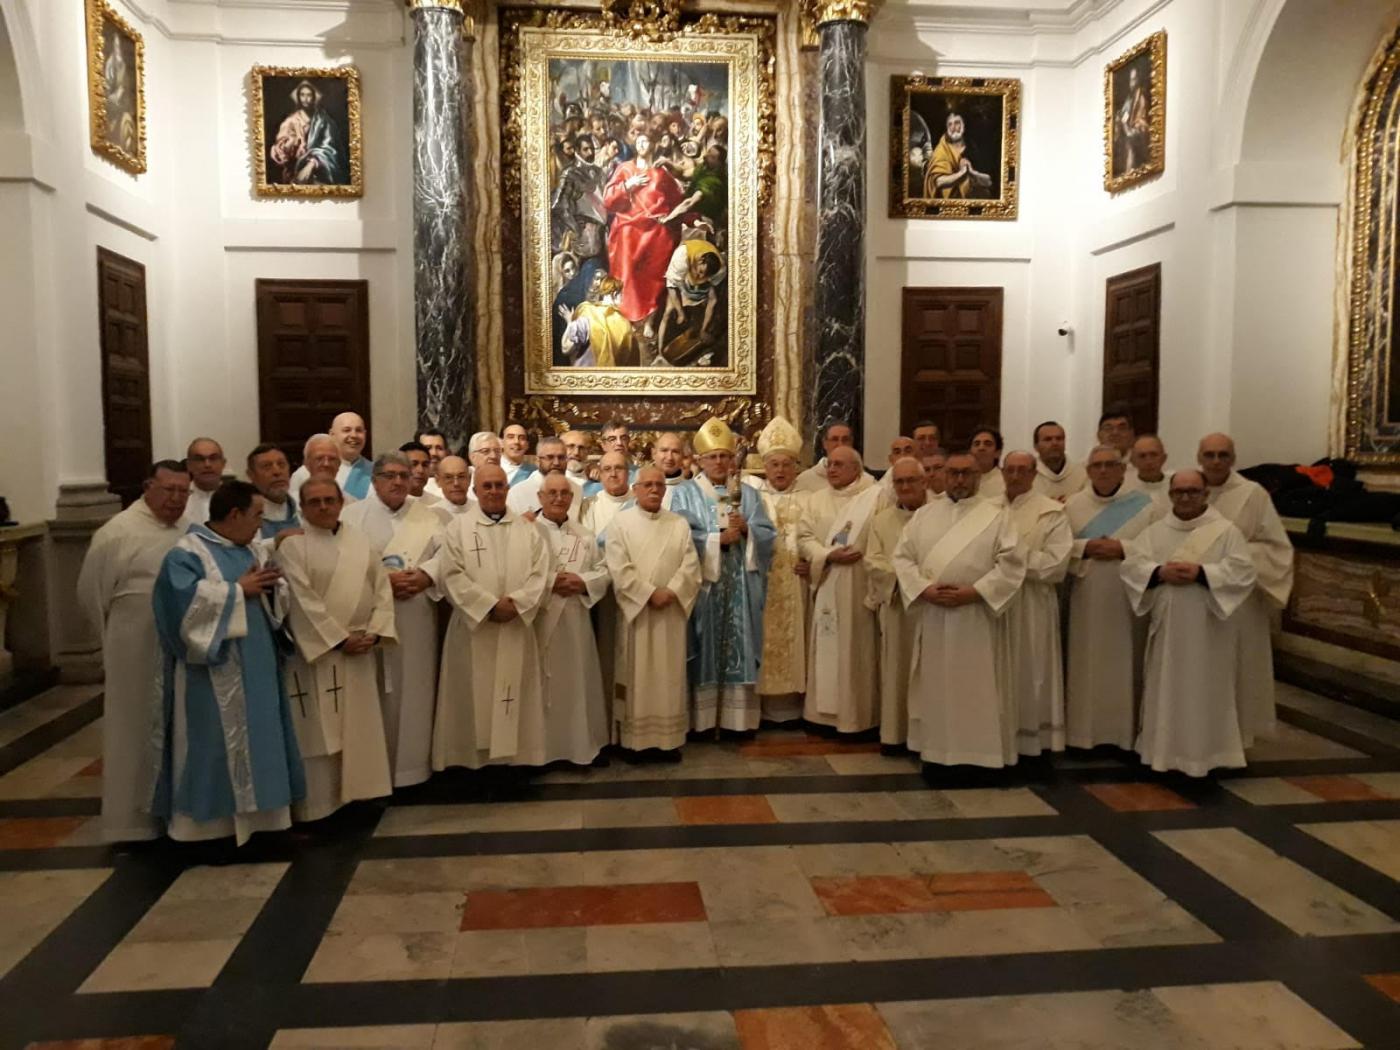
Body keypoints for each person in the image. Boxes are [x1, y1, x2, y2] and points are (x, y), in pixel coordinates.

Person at [150, 481, 305, 843]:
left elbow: (274, 597)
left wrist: (273, 588)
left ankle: (268, 824)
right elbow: (179, 610)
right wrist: (237, 591)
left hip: (260, 666)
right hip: (213, 674)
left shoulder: (250, 546)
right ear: (234, 515)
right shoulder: (186, 554)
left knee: (264, 740)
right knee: (213, 747)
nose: (259, 525)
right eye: (256, 516)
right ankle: (206, 833)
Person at [78, 460, 192, 842]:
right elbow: (92, 595)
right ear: (148, 487)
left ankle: (175, 814)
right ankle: (130, 822)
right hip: (134, 647)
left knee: (177, 726)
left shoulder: (188, 530)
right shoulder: (117, 533)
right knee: (134, 727)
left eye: (183, 491)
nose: (176, 499)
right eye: (169, 490)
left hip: (178, 645)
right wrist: (116, 640)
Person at [893, 451, 1024, 772]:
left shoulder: (997, 515)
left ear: (979, 476)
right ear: (942, 476)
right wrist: (925, 589)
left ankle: (981, 758)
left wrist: (975, 592)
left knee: (977, 689)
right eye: (953, 473)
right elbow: (903, 558)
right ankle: (938, 756)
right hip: (936, 616)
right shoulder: (925, 515)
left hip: (977, 617)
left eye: (967, 473)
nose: (960, 480)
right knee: (937, 689)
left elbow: (1012, 564)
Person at [1122, 469, 1258, 776]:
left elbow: (1243, 572)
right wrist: (1158, 573)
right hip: (1169, 626)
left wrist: (1203, 574)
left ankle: (1208, 755)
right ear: (1170, 495)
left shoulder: (1225, 532)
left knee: (1205, 688)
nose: (1185, 497)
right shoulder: (1155, 532)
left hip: (1209, 628)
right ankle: (1163, 753)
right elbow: (1133, 565)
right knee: (1166, 684)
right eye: (1179, 492)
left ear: (1205, 494)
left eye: (1192, 491)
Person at [275, 479, 394, 821]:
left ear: (342, 502)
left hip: (361, 650)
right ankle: (319, 806)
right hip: (320, 653)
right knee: (319, 731)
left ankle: (363, 793)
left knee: (361, 726)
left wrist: (375, 631)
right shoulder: (293, 547)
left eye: (330, 500)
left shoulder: (361, 542)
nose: (324, 507)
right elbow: (301, 600)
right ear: (303, 507)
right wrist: (339, 639)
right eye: (315, 502)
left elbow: (382, 589)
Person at [432, 465, 552, 769]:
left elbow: (541, 573)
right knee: (474, 697)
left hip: (515, 626)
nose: (494, 491)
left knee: (517, 697)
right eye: (487, 486)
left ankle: (517, 763)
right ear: (475, 491)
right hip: (474, 629)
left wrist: (517, 604)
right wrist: (487, 606)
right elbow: (450, 575)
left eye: (499, 485)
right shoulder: (457, 529)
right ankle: (474, 765)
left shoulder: (528, 530)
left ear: (508, 489)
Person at [340, 453, 445, 788]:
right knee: (376, 693)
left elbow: (449, 556)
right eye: (390, 476)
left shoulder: (430, 517)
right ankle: (375, 773)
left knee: (416, 688)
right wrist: (384, 581)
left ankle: (414, 770)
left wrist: (427, 576)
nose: (399, 482)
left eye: (404, 475)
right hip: (371, 617)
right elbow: (342, 564)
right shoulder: (352, 517)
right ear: (375, 480)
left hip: (416, 616)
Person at [670, 418, 775, 733]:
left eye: (724, 456)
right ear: (699, 460)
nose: (718, 462)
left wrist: (747, 530)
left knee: (740, 644)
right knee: (703, 645)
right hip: (705, 587)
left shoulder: (748, 494)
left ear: (733, 460)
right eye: (712, 456)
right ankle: (703, 722)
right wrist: (717, 540)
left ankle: (737, 721)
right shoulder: (685, 494)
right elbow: (681, 536)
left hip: (740, 585)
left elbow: (768, 534)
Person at [1063, 447, 1160, 751]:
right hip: (1086, 598)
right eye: (1097, 466)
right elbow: (1058, 546)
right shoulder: (1072, 506)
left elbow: (1160, 544)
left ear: (1122, 469)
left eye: (1110, 465)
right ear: (1088, 470)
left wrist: (1123, 549)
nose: (1103, 471)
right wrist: (1084, 548)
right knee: (1084, 662)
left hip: (1127, 598)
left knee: (1126, 662)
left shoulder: (1147, 505)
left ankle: (1124, 734)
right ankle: (1082, 735)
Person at [1199, 433, 1293, 745]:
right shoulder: (1187, 489)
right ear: (1199, 457)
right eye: (1209, 455)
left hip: (1240, 600)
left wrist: (1229, 558)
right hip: (1196, 596)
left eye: (1222, 455)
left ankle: (1236, 736)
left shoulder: (1253, 494)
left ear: (1233, 459)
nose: (1215, 461)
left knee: (1237, 668)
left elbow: (1276, 548)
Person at [603, 466, 702, 755]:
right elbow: (618, 567)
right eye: (647, 484)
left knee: (668, 678)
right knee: (637, 678)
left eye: (659, 485)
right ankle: (634, 744)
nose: (654, 490)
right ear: (635, 489)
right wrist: (647, 594)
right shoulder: (620, 524)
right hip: (638, 615)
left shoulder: (679, 524)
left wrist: (670, 592)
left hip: (670, 614)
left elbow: (690, 566)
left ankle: (668, 742)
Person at [799, 446, 885, 734]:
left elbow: (881, 536)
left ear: (856, 469)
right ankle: (821, 717)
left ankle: (857, 717)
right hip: (826, 580)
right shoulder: (816, 500)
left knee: (856, 650)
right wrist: (827, 555)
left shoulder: (874, 496)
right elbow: (804, 536)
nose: (831, 469)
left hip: (858, 585)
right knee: (827, 644)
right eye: (830, 464)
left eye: (839, 464)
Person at [999, 452, 1072, 756]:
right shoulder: (988, 508)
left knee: (1032, 669)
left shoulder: (1051, 512)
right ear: (1002, 473)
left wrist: (1011, 561)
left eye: (1022, 470)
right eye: (1010, 470)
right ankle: (1000, 736)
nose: (1015, 476)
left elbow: (1056, 565)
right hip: (997, 603)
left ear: (1033, 474)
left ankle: (1033, 744)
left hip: (1033, 604)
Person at [535, 474, 611, 765]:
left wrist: (581, 581)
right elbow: (517, 571)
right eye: (551, 493)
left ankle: (580, 747)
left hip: (576, 621)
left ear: (571, 498)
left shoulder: (584, 534)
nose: (558, 498)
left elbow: (604, 570)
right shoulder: (527, 531)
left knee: (577, 683)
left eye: (564, 493)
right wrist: (551, 582)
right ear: (540, 497)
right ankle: (542, 752)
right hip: (541, 621)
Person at [750, 417, 810, 725]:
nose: (780, 470)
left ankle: (797, 708)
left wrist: (812, 561)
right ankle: (764, 710)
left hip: (799, 585)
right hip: (764, 584)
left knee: (799, 640)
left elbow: (818, 537)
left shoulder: (810, 499)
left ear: (796, 467)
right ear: (765, 466)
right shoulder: (754, 499)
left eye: (786, 464)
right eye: (774, 464)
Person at [865, 457, 926, 750]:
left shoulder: (938, 516)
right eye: (899, 482)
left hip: (931, 607)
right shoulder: (882, 520)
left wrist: (922, 584)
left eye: (911, 480)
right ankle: (895, 734)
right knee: (896, 670)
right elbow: (873, 561)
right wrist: (908, 581)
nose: (905, 487)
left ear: (924, 482)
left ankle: (927, 736)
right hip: (898, 605)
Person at [602, 132, 686, 326]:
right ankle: (627, 313)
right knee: (627, 265)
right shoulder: (625, 168)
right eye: (638, 141)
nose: (641, 144)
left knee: (655, 268)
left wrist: (690, 219)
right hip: (629, 227)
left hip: (655, 229)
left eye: (646, 140)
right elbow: (608, 200)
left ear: (653, 144)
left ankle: (650, 318)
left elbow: (676, 200)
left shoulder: (661, 172)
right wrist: (627, 185)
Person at [581, 450, 634, 703]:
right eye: (607, 469)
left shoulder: (639, 502)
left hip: (634, 592)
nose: (613, 473)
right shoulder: (589, 504)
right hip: (602, 595)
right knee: (604, 657)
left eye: (619, 468)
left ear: (629, 472)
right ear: (599, 473)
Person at [269, 80, 348, 185]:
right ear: (298, 97)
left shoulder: (324, 121)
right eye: (302, 95)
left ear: (314, 98)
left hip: (321, 169)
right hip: (295, 171)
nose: (305, 99)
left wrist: (313, 162)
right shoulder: (291, 122)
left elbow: (330, 148)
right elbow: (281, 151)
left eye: (309, 95)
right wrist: (289, 144)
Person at [290, 413, 373, 499]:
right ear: (332, 434)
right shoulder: (304, 473)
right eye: (346, 430)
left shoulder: (376, 472)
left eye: (359, 430)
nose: (354, 435)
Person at [508, 436, 584, 521]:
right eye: (550, 457)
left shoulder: (576, 490)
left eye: (561, 457)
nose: (556, 463)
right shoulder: (518, 493)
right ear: (537, 461)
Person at [925, 111, 993, 199]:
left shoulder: (974, 148)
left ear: (964, 125)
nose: (953, 128)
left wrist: (972, 173)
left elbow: (989, 181)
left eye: (957, 123)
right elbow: (938, 182)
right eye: (950, 124)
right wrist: (962, 173)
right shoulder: (941, 150)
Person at [794, 422, 874, 493]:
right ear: (825, 443)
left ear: (851, 443)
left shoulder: (866, 482)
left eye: (845, 439)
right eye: (834, 439)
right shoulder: (805, 481)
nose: (840, 444)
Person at [246, 444, 301, 540]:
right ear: (251, 475)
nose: (277, 472)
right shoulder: (244, 515)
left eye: (281, 464)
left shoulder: (303, 506)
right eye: (267, 467)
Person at [1030, 422, 1085, 501]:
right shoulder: (1028, 476)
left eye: (1059, 438)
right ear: (1036, 446)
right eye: (1048, 439)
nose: (1054, 443)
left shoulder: (1083, 474)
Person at [183, 438, 226, 527]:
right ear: (189, 465)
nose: (207, 464)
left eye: (213, 458)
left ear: (223, 463)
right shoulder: (179, 499)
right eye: (199, 459)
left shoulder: (238, 498)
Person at [651, 432, 689, 508]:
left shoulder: (693, 492)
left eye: (675, 452)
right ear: (653, 453)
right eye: (664, 450)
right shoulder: (636, 489)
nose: (669, 457)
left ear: (682, 456)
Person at [1125, 435, 1169, 499]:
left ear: (1164, 458)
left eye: (1154, 455)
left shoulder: (1176, 486)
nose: (1148, 462)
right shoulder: (1124, 490)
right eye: (1142, 456)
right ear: (1133, 461)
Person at [969, 426, 1006, 500]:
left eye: (988, 444)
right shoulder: (962, 479)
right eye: (977, 444)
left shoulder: (1005, 481)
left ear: (997, 453)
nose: (981, 448)